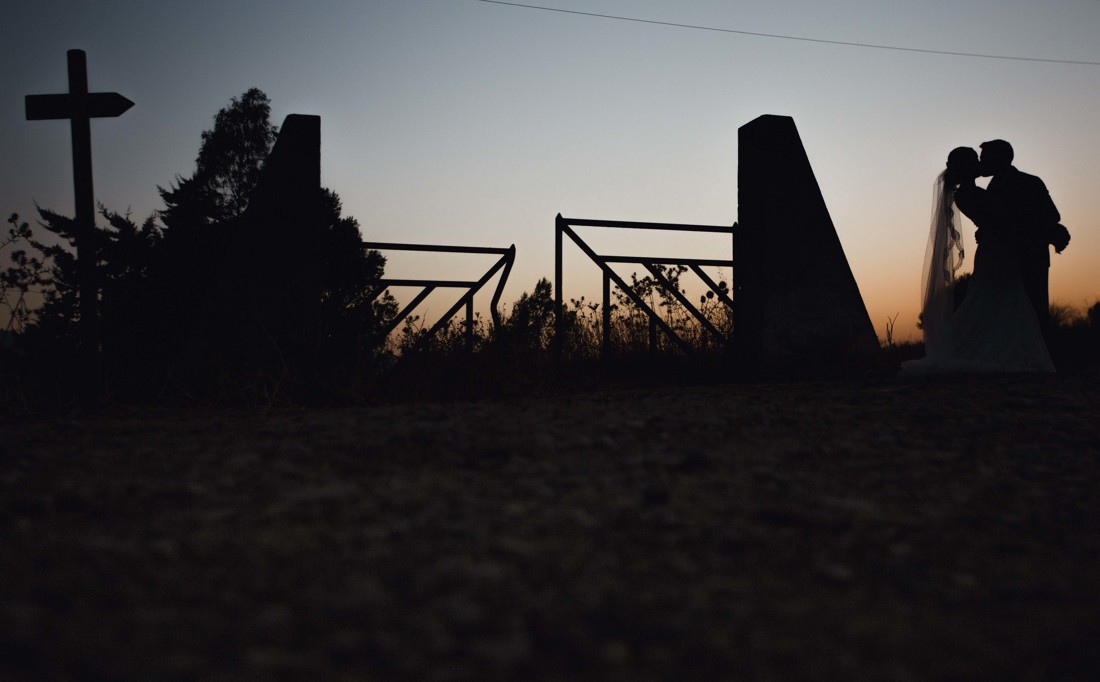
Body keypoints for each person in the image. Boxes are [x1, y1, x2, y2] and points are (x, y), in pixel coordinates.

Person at [900, 147, 1054, 375]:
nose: (980, 164)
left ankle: (1002, 350)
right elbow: (1000, 218)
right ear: (967, 167)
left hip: (998, 249)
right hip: (996, 251)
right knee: (999, 299)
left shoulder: (977, 191)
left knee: (995, 301)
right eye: (975, 161)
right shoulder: (967, 194)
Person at [979, 139, 1066, 336]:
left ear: (999, 159)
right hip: (1005, 260)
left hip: (1030, 256)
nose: (981, 163)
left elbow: (1052, 215)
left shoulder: (1029, 182)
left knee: (1035, 312)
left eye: (984, 158)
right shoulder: (993, 187)